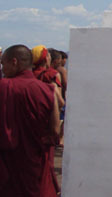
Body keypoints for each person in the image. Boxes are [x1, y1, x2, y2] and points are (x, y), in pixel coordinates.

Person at [0, 44, 61, 196]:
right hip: (36, 163)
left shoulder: (3, 86)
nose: (2, 69)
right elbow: (55, 130)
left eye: (3, 63)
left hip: (8, 165)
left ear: (14, 62)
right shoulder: (48, 91)